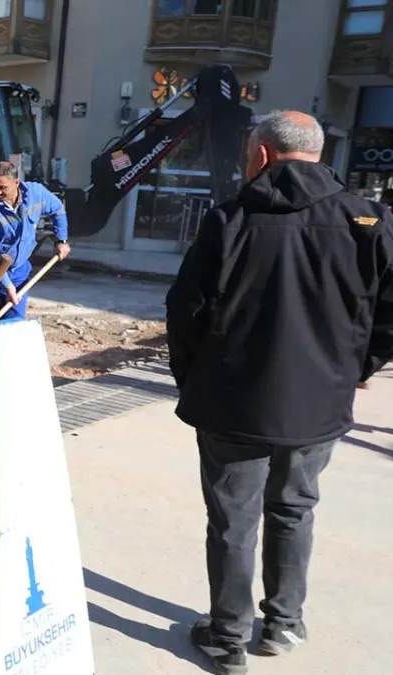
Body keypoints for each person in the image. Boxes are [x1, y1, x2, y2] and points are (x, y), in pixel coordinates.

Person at [166, 110, 393, 675]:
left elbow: (185, 312)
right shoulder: (371, 220)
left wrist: (192, 380)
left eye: (249, 154)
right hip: (320, 403)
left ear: (262, 154)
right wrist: (354, 367)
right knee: (295, 508)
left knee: (233, 521)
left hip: (232, 405)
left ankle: (228, 639)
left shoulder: (229, 219)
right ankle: (285, 623)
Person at [0, 161, 70, 324]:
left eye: (2, 187)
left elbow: (58, 210)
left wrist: (61, 240)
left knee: (14, 321)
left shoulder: (36, 194)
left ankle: (3, 348)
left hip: (18, 267)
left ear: (17, 182)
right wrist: (8, 287)